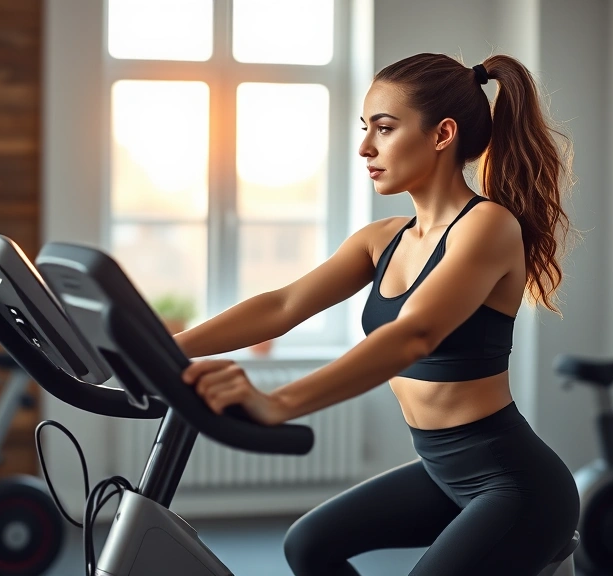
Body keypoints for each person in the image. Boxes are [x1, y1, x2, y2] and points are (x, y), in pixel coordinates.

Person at [174, 52, 580, 575]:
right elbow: (282, 306)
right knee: (309, 544)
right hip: (440, 469)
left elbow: (415, 334)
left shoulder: (488, 227)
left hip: (515, 484)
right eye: (366, 128)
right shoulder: (382, 240)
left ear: (442, 134)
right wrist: (162, 348)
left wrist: (279, 403)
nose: (365, 147)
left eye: (384, 129)